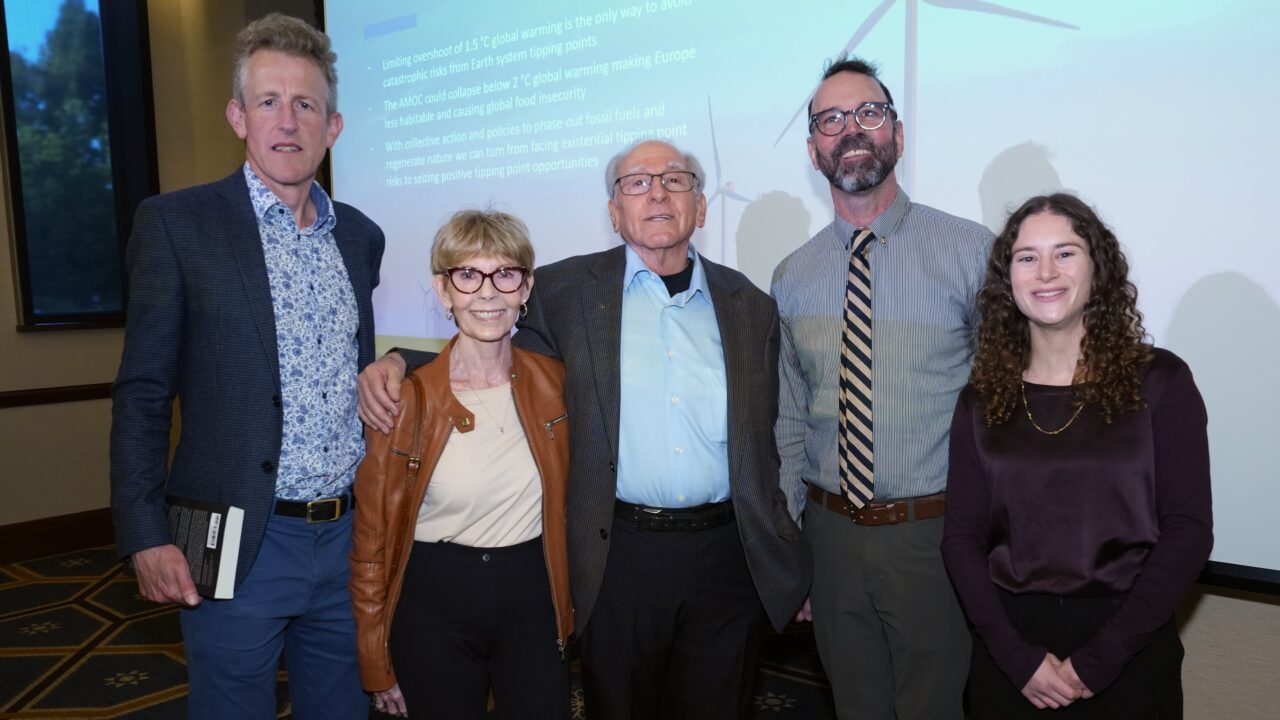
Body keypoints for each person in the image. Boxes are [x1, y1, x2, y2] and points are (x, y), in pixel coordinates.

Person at [359, 139, 810, 720]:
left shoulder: (749, 306)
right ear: (613, 211)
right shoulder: (565, 292)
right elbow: (487, 339)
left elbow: (776, 434)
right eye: (636, 183)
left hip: (728, 556)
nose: (656, 193)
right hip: (617, 554)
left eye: (675, 180)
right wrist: (399, 361)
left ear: (700, 206)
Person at [109, 14, 382, 719]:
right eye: (268, 101)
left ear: (334, 126)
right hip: (231, 538)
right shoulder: (176, 226)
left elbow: (359, 365)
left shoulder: (358, 236)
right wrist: (144, 533)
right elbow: (142, 393)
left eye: (305, 104)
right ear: (237, 116)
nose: (286, 121)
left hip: (349, 537)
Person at [771, 55, 991, 719]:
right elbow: (787, 422)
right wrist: (790, 553)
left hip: (934, 538)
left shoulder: (972, 252)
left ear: (897, 132)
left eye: (868, 113)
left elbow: (1004, 412)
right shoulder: (792, 275)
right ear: (814, 151)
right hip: (830, 540)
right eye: (832, 121)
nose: (852, 130)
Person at [941, 193, 1213, 718]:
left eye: (1065, 253)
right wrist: (1017, 659)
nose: (1046, 272)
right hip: (1008, 654)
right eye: (1027, 257)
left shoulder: (1161, 382)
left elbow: (1189, 530)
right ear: (1008, 279)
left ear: (1097, 268)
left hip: (1130, 648)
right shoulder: (980, 398)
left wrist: (1099, 659)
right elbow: (961, 538)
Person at [348, 210, 572, 718]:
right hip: (433, 603)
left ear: (525, 287)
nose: (488, 293)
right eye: (468, 275)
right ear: (444, 291)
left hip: (533, 594)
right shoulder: (401, 402)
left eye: (505, 274)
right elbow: (371, 542)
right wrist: (375, 660)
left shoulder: (556, 383)